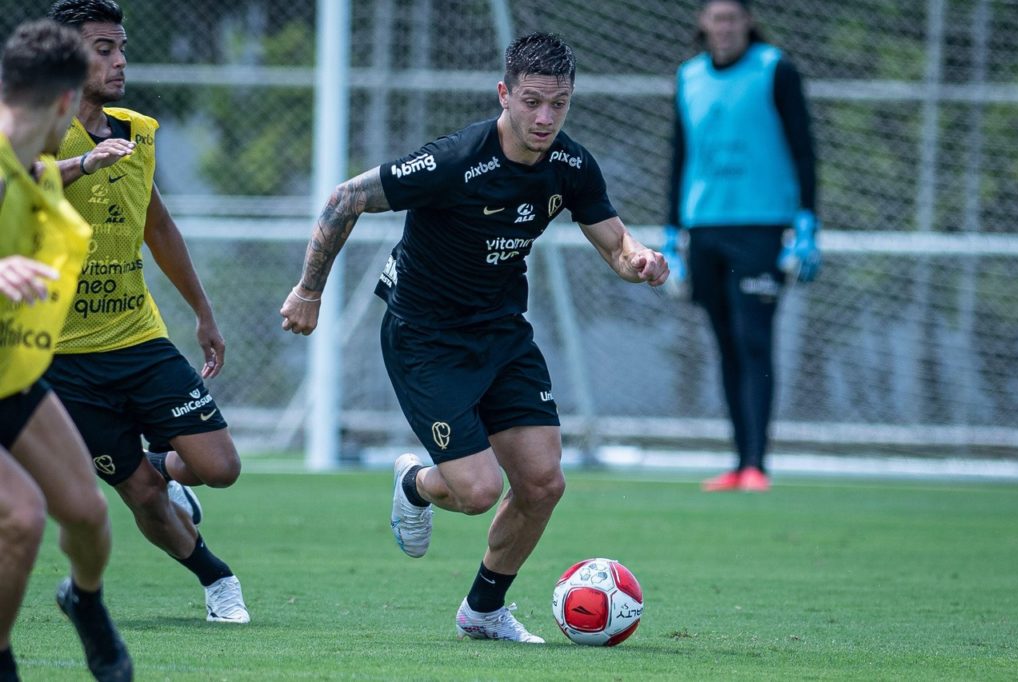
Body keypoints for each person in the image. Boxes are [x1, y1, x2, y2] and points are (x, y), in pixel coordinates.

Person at [281, 32, 668, 643]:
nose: (545, 118)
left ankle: (483, 611)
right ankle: (414, 483)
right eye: (532, 101)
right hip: (425, 339)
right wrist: (308, 290)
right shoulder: (454, 161)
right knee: (479, 491)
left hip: (503, 336)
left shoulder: (571, 166)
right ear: (504, 94)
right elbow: (347, 196)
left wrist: (642, 259)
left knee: (543, 484)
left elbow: (617, 245)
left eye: (558, 104)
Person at [44, 0, 249, 623]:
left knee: (221, 468)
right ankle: (218, 581)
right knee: (141, 495)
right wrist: (82, 164)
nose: (119, 60)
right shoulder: (32, 130)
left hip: (139, 341)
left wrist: (204, 314)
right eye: (103, 48)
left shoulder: (135, 132)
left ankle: (161, 461)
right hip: (63, 360)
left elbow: (158, 226)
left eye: (121, 47)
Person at [0, 18, 132, 681]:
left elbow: (51, 168)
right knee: (21, 516)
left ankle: (85, 601)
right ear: (60, 103)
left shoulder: (34, 169)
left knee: (86, 512)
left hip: (10, 377)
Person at [664, 0, 820, 493]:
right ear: (703, 24)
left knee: (755, 340)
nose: (725, 27)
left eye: (733, 18)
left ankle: (757, 464)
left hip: (761, 226)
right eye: (716, 17)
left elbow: (803, 147)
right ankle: (738, 463)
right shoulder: (688, 77)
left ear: (747, 22)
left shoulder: (776, 69)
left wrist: (808, 222)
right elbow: (678, 156)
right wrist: (671, 234)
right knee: (726, 343)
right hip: (704, 227)